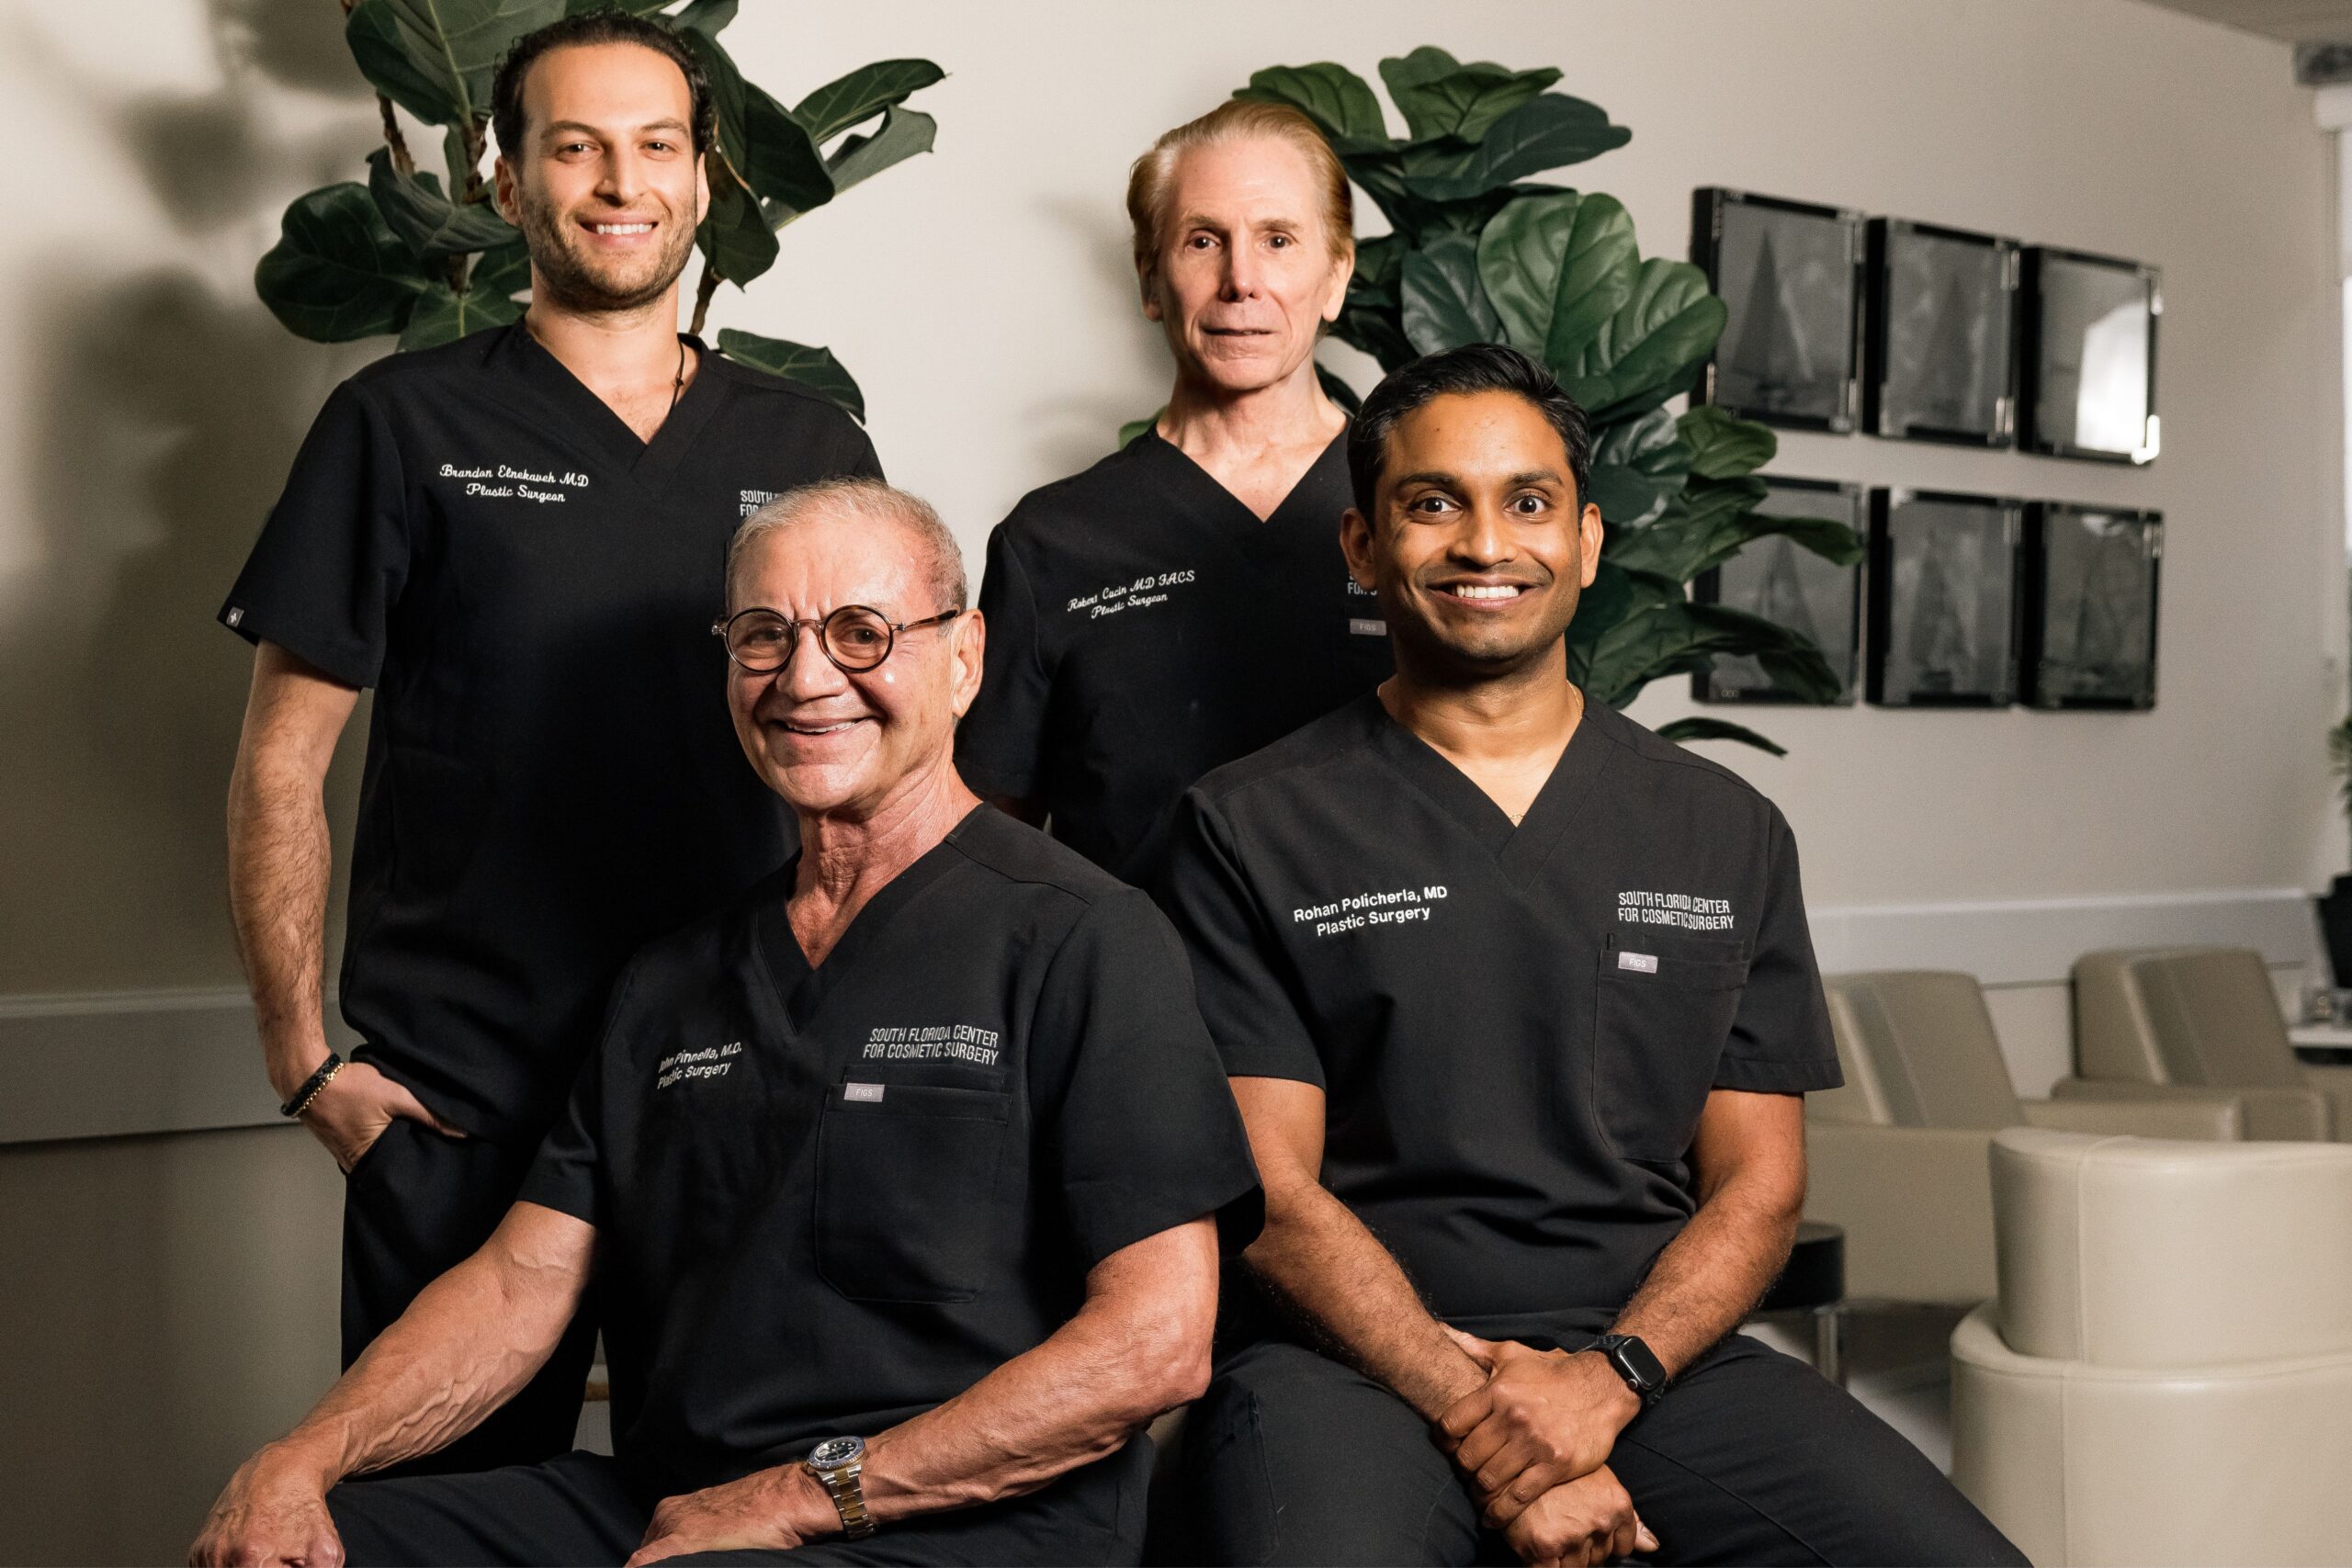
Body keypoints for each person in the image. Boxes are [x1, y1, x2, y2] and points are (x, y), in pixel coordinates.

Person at [190, 479, 1261, 1567]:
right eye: (763, 636)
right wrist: (306, 1457)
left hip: (956, 1525)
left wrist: (805, 1497)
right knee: (294, 1552)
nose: (805, 679)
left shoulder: (1087, 938)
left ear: (963, 657)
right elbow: (520, 1284)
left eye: (861, 633)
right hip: (674, 1507)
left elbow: (1156, 1343)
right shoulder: (670, 983)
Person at [1160, 344, 2027, 1568]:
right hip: (1347, 1365)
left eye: (1528, 501)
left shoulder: (1722, 828)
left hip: (1649, 1358)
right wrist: (1490, 1417)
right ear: (1362, 545)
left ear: (1586, 539)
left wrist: (1609, 1379)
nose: (1485, 543)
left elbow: (1758, 1183)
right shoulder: (1248, 824)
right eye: (1432, 502)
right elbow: (1272, 1198)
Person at [219, 11, 880, 1472]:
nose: (621, 183)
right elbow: (282, 760)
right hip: (461, 1098)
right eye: (575, 147)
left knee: (727, 1512)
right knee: (439, 1521)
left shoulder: (809, 444)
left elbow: (874, 763)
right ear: (506, 181)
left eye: (657, 146)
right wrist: (302, 1060)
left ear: (706, 179)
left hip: (740, 1079)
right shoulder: (398, 425)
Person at [955, 99, 1390, 887]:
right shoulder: (1052, 542)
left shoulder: (1415, 514)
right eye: (1203, 241)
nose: (1241, 281)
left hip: (1379, 964)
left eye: (1278, 240)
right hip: (1136, 967)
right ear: (1151, 280)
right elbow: (991, 850)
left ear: (1336, 277)